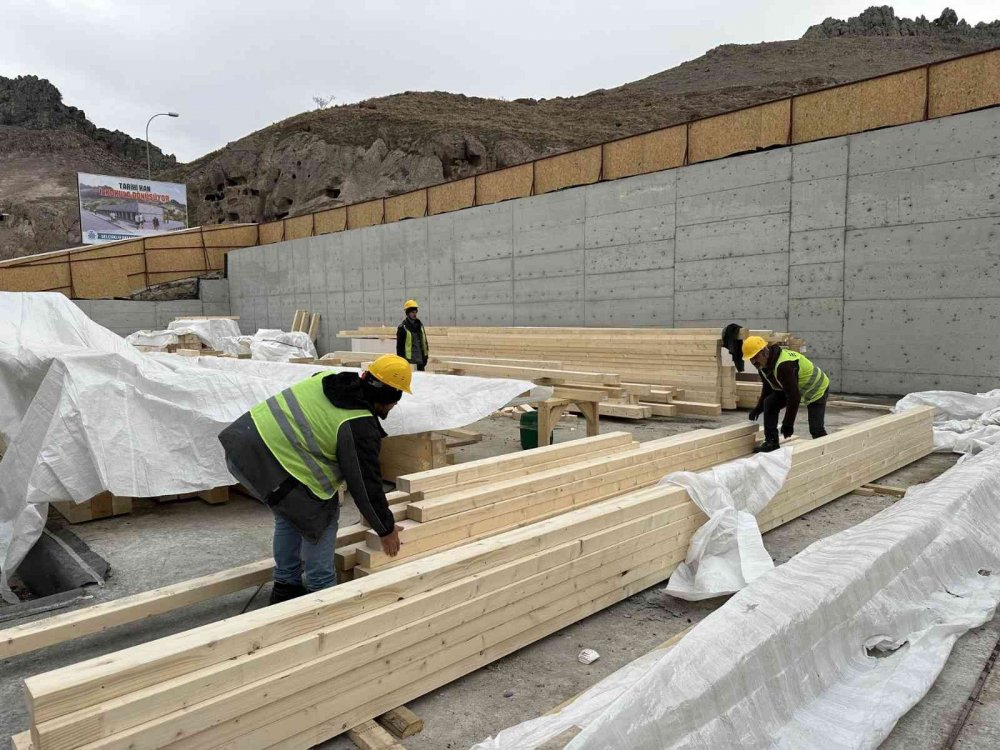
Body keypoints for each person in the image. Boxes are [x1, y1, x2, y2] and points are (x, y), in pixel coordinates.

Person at [218, 354, 410, 604]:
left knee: (291, 513)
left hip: (244, 443)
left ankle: (286, 588)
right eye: (396, 400)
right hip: (267, 460)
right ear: (388, 397)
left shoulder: (331, 381)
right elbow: (364, 484)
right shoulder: (358, 424)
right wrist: (385, 529)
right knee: (322, 513)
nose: (394, 407)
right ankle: (321, 596)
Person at [743, 335, 829, 453]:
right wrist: (759, 408)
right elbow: (768, 387)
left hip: (816, 388)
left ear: (764, 352)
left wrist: (788, 423)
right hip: (795, 388)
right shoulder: (763, 365)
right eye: (750, 358)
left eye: (755, 357)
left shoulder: (784, 365)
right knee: (769, 403)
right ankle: (771, 442)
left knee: (816, 428)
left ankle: (827, 452)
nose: (753, 361)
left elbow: (794, 397)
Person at [396, 299, 429, 371]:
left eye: (415, 312)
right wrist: (401, 362)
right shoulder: (403, 327)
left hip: (421, 360)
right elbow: (399, 348)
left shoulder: (420, 325)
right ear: (407, 313)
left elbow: (424, 342)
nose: (415, 314)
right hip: (410, 362)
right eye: (412, 312)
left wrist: (426, 356)